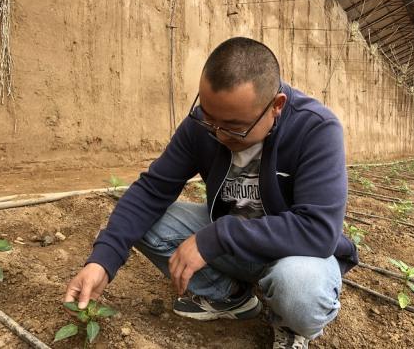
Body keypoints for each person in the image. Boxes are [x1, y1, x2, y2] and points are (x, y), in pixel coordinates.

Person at [65, 37, 358, 349]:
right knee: (145, 221)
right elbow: (151, 190)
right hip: (235, 244)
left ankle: (290, 324)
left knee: (300, 289)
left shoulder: (316, 129)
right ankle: (231, 296)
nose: (218, 133)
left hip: (293, 253)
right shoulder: (204, 123)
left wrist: (216, 237)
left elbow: (318, 231)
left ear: (276, 106)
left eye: (233, 127)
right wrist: (102, 260)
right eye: (208, 117)